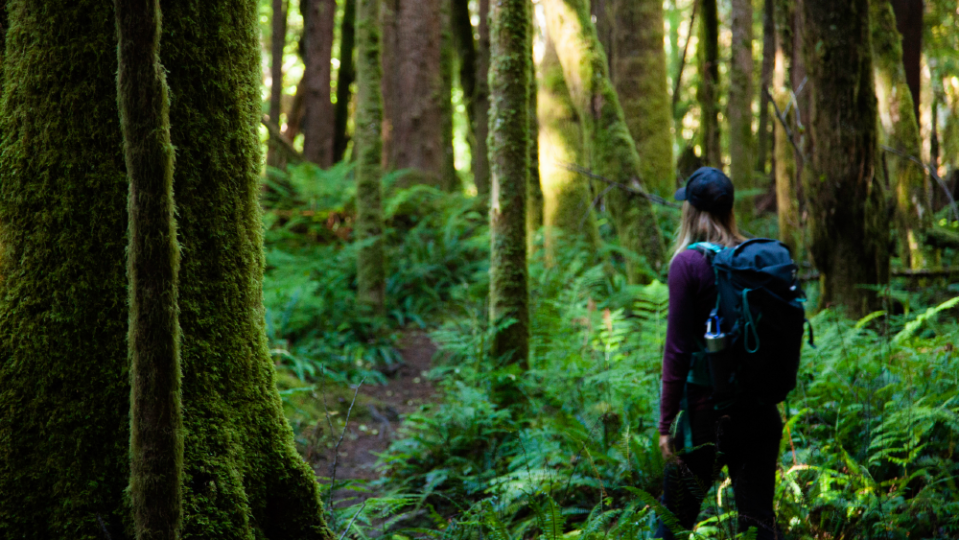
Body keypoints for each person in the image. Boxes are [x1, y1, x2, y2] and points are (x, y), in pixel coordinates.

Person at [653, 167, 783, 540]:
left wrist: (665, 424)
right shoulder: (753, 258)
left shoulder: (688, 264)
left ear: (690, 212)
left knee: (672, 526)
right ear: (729, 210)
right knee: (758, 524)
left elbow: (677, 351)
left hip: (705, 418)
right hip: (760, 414)